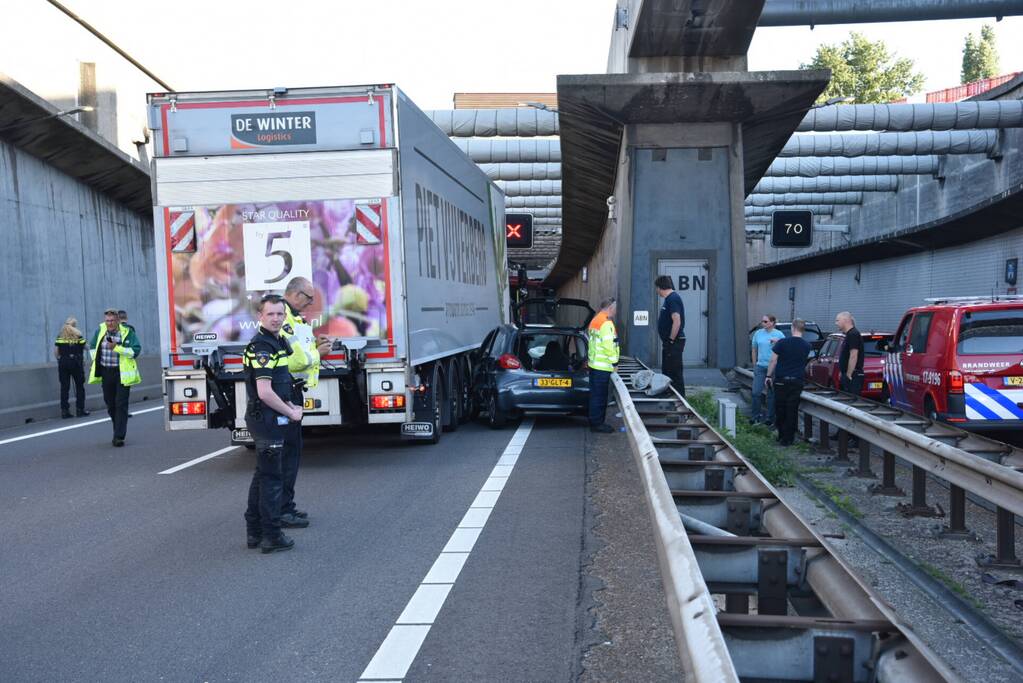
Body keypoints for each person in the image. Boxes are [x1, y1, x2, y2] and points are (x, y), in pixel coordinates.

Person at [243, 295, 304, 554]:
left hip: (268, 417)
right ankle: (271, 536)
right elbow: (265, 392)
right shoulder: (262, 347)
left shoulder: (276, 341)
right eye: (271, 314)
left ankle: (255, 532)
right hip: (266, 419)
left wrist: (291, 405)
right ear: (260, 316)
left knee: (263, 475)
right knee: (271, 479)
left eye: (280, 314)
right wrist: (291, 412)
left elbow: (279, 384)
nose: (276, 318)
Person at [278, 277, 331, 528]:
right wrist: (319, 354)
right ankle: (281, 510)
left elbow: (300, 351)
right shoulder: (286, 319)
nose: (311, 304)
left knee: (292, 451)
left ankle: (286, 506)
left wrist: (316, 346)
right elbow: (296, 361)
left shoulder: (295, 318)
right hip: (286, 392)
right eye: (309, 298)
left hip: (293, 390)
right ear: (296, 294)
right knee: (287, 453)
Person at [88, 309, 141, 447]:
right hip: (106, 372)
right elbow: (92, 346)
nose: (109, 323)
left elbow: (135, 351)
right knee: (110, 404)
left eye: (112, 320)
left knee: (121, 404)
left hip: (122, 373)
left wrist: (117, 348)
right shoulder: (100, 330)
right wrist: (95, 360)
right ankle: (117, 426)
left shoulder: (127, 332)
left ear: (118, 321)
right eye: (107, 320)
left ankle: (119, 437)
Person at [766, 319, 812, 447]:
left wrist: (768, 376)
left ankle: (781, 436)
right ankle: (789, 439)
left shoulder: (782, 343)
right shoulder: (807, 346)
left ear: (793, 328)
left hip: (781, 380)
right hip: (797, 381)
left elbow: (773, 361)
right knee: (792, 410)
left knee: (780, 408)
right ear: (803, 329)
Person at [587, 297, 620, 433]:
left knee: (595, 395)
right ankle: (597, 424)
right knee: (600, 397)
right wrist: (615, 362)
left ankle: (594, 421)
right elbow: (608, 346)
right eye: (615, 309)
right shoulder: (606, 323)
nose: (616, 311)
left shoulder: (595, 320)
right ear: (610, 308)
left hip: (595, 364)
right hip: (603, 366)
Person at [655, 276, 685, 396]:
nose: (656, 291)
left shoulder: (673, 299)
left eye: (656, 288)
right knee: (667, 370)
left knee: (675, 371)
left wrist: (671, 340)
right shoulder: (668, 299)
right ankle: (668, 394)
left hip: (674, 342)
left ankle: (680, 399)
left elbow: (676, 321)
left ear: (660, 287)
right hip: (669, 343)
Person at [751, 314, 784, 425]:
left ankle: (770, 418)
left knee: (771, 394)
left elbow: (785, 349)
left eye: (765, 321)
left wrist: (778, 342)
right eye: (762, 321)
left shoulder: (779, 334)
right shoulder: (758, 333)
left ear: (772, 323)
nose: (763, 323)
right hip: (760, 367)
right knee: (756, 392)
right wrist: (755, 365)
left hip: (774, 368)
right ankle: (755, 416)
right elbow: (754, 349)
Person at [54, 317, 89, 418]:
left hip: (63, 362)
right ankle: (80, 410)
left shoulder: (60, 336)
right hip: (76, 362)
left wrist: (60, 359)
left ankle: (65, 411)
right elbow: (86, 347)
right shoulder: (78, 336)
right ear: (74, 325)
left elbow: (56, 351)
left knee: (64, 387)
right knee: (79, 386)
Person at [835, 311, 864, 396]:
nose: (836, 323)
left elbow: (853, 355)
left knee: (851, 400)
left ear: (845, 320)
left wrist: (848, 374)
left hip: (853, 376)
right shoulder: (849, 334)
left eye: (837, 320)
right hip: (850, 375)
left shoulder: (853, 334)